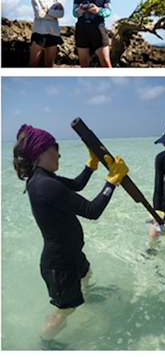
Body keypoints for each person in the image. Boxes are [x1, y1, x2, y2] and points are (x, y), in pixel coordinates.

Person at [12, 124, 128, 340]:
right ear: (43, 151)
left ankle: (89, 297)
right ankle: (46, 342)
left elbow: (76, 185)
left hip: (71, 254)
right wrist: (112, 182)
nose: (60, 154)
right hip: (59, 265)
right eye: (56, 148)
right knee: (66, 310)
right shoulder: (45, 184)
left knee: (87, 273)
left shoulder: (43, 179)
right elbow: (92, 211)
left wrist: (91, 165)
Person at [73, 0, 112, 68]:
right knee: (84, 64)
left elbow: (108, 11)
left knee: (106, 63)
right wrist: (79, 11)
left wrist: (98, 11)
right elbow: (74, 13)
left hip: (98, 28)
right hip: (82, 29)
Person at [30, 0, 65, 68]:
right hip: (39, 32)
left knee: (50, 66)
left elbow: (61, 14)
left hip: (53, 32)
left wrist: (48, 11)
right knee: (33, 65)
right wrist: (54, 14)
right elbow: (39, 15)